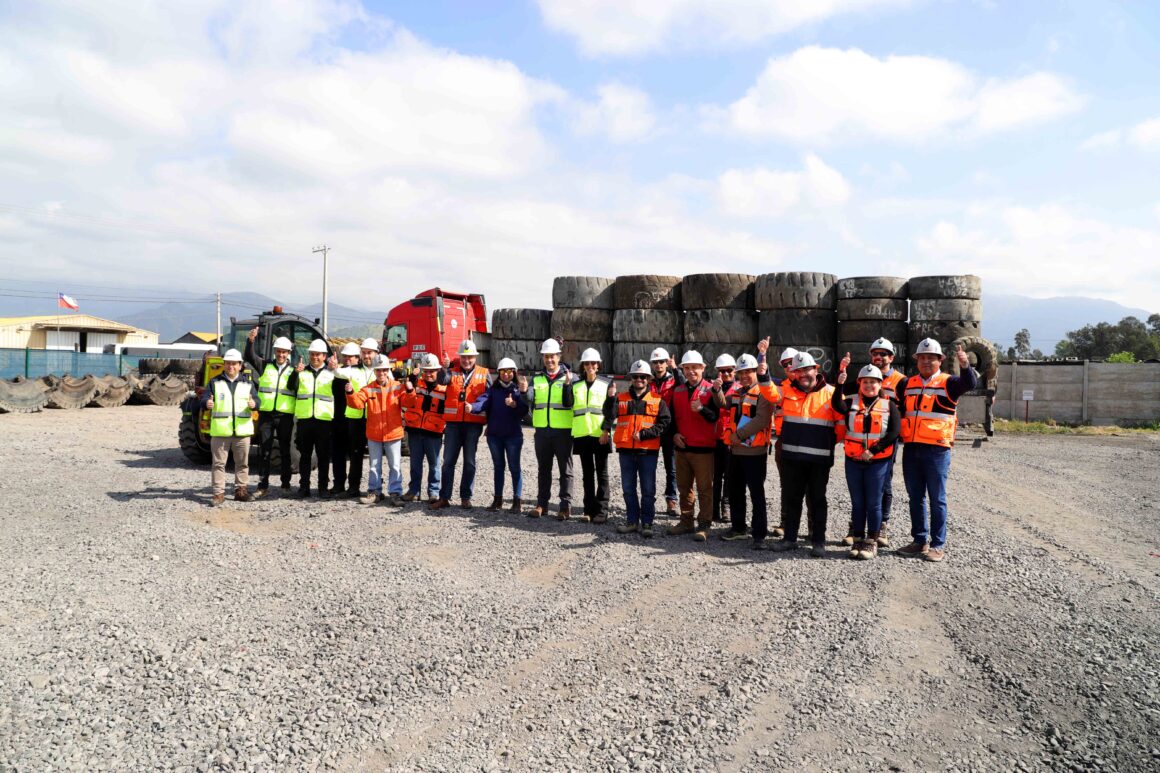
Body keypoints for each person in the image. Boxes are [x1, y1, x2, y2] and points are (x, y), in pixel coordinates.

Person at [897, 338, 976, 562]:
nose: (926, 362)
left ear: (940, 360)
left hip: (937, 450)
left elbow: (969, 384)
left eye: (930, 358)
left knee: (937, 498)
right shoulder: (907, 384)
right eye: (922, 358)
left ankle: (937, 545)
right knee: (915, 497)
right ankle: (919, 541)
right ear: (917, 361)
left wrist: (965, 365)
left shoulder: (949, 382)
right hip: (911, 449)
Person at [770, 351, 844, 557]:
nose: (803, 374)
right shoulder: (786, 392)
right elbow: (767, 392)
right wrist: (761, 364)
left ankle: (818, 541)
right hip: (792, 457)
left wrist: (827, 443)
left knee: (818, 499)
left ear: (816, 369)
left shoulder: (832, 393)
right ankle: (790, 539)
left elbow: (841, 425)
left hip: (819, 459)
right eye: (798, 371)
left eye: (806, 369)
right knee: (793, 498)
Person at [839, 338, 906, 547]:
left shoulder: (901, 381)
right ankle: (857, 529)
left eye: (883, 354)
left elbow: (904, 410)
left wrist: (883, 441)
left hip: (885, 440)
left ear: (891, 357)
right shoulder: (864, 377)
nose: (879, 357)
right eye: (875, 353)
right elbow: (838, 396)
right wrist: (841, 373)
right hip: (858, 448)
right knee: (859, 491)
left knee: (882, 486)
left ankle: (880, 528)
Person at [720, 353, 777, 547]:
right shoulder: (738, 392)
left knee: (756, 493)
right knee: (735, 491)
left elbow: (762, 419)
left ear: (755, 372)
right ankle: (738, 528)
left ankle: (759, 534)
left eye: (749, 372)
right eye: (741, 372)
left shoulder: (764, 393)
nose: (744, 376)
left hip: (754, 452)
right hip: (736, 451)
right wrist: (716, 390)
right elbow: (723, 404)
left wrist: (739, 435)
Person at [614, 360, 671, 538]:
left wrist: (646, 434)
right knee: (628, 488)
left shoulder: (657, 400)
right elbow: (608, 415)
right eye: (636, 377)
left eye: (643, 377)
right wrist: (609, 399)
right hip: (626, 452)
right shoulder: (621, 398)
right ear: (631, 378)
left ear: (648, 379)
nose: (639, 379)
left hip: (648, 451)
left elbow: (665, 422)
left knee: (648, 490)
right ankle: (632, 521)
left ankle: (647, 523)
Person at [668, 350, 719, 541]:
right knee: (684, 487)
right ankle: (686, 521)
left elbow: (715, 417)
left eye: (694, 368)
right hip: (682, 448)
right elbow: (672, 418)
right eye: (687, 368)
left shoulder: (710, 389)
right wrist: (674, 434)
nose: (691, 372)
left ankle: (704, 524)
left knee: (705, 488)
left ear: (703, 368)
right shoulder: (678, 391)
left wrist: (701, 409)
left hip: (703, 449)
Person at [433, 340, 490, 510]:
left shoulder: (484, 373)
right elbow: (442, 381)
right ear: (460, 357)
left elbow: (489, 398)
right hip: (453, 425)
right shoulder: (452, 372)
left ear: (475, 357)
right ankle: (444, 497)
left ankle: (466, 497)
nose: (467, 360)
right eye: (464, 357)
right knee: (448, 461)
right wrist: (443, 367)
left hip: (473, 424)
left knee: (470, 462)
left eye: (470, 357)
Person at [469, 357, 528, 513]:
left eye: (510, 371)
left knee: (515, 468)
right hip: (494, 436)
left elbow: (524, 410)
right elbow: (483, 401)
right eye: (503, 371)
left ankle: (517, 501)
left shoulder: (517, 390)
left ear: (514, 373)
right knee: (498, 467)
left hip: (513, 436)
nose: (507, 374)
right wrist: (472, 407)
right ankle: (498, 500)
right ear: (499, 373)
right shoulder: (493, 390)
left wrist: (515, 403)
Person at [346, 354, 406, 507]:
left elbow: (409, 402)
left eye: (384, 370)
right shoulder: (368, 389)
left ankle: (395, 493)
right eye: (378, 370)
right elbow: (357, 404)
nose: (381, 373)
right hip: (374, 434)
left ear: (388, 370)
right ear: (374, 371)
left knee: (395, 465)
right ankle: (374, 492)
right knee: (374, 465)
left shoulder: (398, 387)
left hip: (393, 433)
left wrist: (411, 390)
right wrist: (350, 393)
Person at [525, 338, 575, 519]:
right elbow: (528, 401)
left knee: (565, 471)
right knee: (543, 469)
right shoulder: (537, 379)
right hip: (542, 432)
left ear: (559, 356)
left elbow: (572, 403)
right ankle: (542, 505)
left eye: (552, 356)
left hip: (563, 431)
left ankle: (565, 506)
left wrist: (568, 385)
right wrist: (524, 392)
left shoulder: (570, 377)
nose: (549, 360)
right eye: (546, 357)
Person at [201, 348, 256, 506]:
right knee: (218, 464)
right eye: (228, 363)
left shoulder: (247, 383)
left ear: (240, 365)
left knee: (242, 464)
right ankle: (218, 494)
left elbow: (257, 401)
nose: (231, 366)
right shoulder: (214, 382)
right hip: (221, 431)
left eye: (234, 364)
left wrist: (254, 404)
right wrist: (207, 403)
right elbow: (204, 399)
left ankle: (241, 491)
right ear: (224, 365)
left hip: (242, 431)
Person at [244, 329, 295, 497]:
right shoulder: (265, 365)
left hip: (285, 416)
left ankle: (285, 483)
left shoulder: (294, 371)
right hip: (266, 415)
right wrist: (250, 342)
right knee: (264, 451)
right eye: (278, 351)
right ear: (275, 352)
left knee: (285, 450)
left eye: (284, 352)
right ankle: (262, 485)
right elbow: (250, 357)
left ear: (288, 353)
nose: (281, 354)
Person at [570, 348, 615, 523]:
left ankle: (602, 511)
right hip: (582, 434)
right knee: (587, 474)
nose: (590, 366)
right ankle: (588, 510)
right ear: (583, 365)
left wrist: (606, 430)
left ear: (598, 365)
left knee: (602, 473)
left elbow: (611, 411)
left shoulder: (607, 384)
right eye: (587, 363)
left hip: (600, 434)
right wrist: (566, 384)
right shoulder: (575, 385)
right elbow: (569, 404)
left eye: (593, 363)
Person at [289, 339, 336, 498]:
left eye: (318, 354)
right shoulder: (302, 372)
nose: (314, 357)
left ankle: (322, 488)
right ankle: (304, 487)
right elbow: (291, 386)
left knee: (323, 456)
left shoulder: (331, 374)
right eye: (312, 354)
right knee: (305, 456)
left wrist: (335, 370)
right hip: (305, 420)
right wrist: (296, 373)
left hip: (323, 421)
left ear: (324, 356)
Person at [335, 338, 378, 498]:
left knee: (376, 456)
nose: (367, 356)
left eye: (370, 353)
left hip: (375, 418)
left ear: (376, 353)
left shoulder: (381, 370)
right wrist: (333, 367)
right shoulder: (353, 370)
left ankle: (376, 488)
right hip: (356, 419)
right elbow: (339, 372)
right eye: (365, 353)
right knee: (355, 454)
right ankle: (353, 488)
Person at [401, 353, 446, 503]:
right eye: (426, 371)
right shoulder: (415, 385)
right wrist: (410, 386)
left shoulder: (444, 389)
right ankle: (414, 491)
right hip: (415, 431)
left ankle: (433, 492)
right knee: (415, 464)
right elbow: (406, 403)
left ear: (438, 371)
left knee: (434, 465)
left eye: (431, 371)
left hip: (434, 432)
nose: (428, 374)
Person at [648, 348, 684, 517]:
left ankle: (671, 500)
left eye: (661, 362)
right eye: (655, 362)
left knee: (672, 468)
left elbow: (685, 385)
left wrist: (675, 369)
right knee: (650, 467)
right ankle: (649, 501)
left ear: (666, 363)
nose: (659, 365)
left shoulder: (673, 380)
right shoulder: (649, 383)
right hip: (653, 430)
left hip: (670, 430)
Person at [770, 346, 797, 538]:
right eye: (786, 364)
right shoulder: (780, 387)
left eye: (792, 363)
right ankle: (786, 522)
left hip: (808, 439)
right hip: (784, 439)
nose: (790, 367)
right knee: (786, 484)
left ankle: (813, 528)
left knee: (812, 488)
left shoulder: (815, 385)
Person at [710, 354, 740, 524]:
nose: (726, 373)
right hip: (715, 438)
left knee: (729, 475)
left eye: (729, 370)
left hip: (731, 438)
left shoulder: (740, 388)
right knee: (715, 475)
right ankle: (713, 509)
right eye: (722, 371)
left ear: (734, 370)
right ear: (718, 372)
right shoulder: (712, 388)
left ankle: (726, 506)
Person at [329, 342, 361, 497]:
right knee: (338, 453)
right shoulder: (338, 373)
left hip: (354, 419)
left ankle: (353, 487)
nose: (348, 359)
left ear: (357, 358)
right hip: (339, 418)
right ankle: (338, 484)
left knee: (355, 454)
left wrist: (335, 369)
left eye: (351, 356)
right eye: (346, 356)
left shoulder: (359, 372)